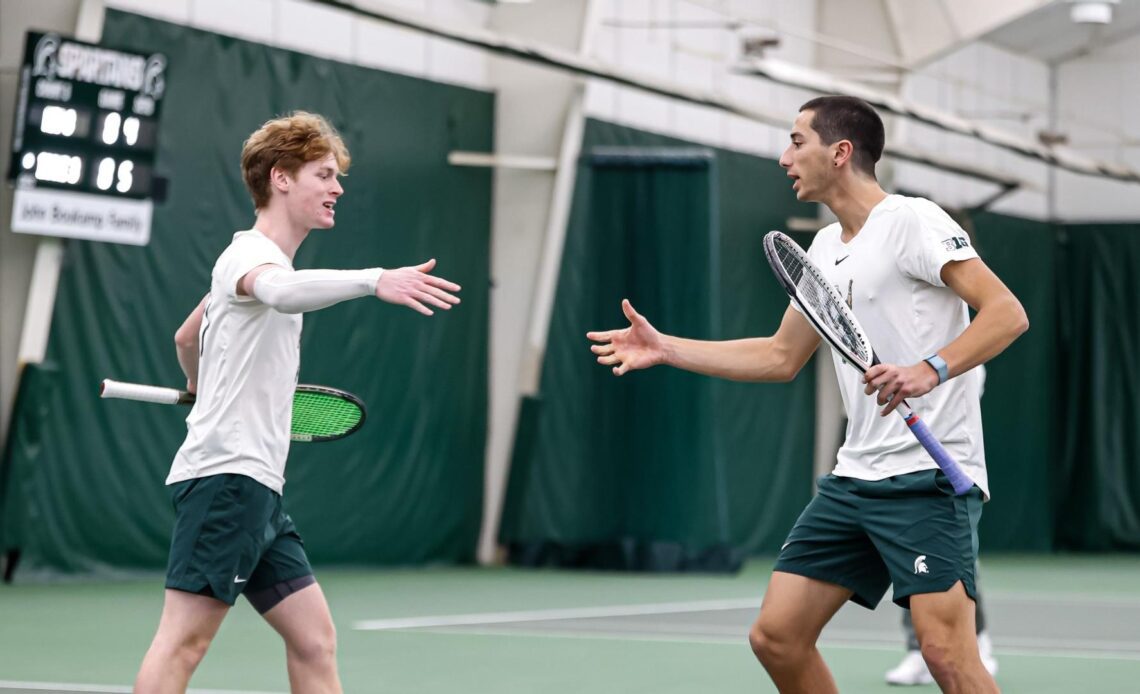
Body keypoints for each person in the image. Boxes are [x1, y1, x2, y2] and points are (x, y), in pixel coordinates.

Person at [586, 95, 1026, 693]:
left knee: (946, 654)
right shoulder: (823, 250)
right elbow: (779, 356)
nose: (783, 157)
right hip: (854, 480)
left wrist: (931, 368)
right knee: (777, 637)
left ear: (840, 152)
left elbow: (1006, 312)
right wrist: (667, 348)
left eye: (797, 142)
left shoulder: (914, 221)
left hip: (928, 478)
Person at [134, 111, 461, 693]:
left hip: (259, 489)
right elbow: (281, 295)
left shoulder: (249, 264)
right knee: (183, 642)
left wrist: (201, 390)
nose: (337, 188)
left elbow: (188, 338)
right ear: (280, 177)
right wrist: (373, 279)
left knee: (314, 641)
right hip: (227, 481)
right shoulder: (249, 259)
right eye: (324, 174)